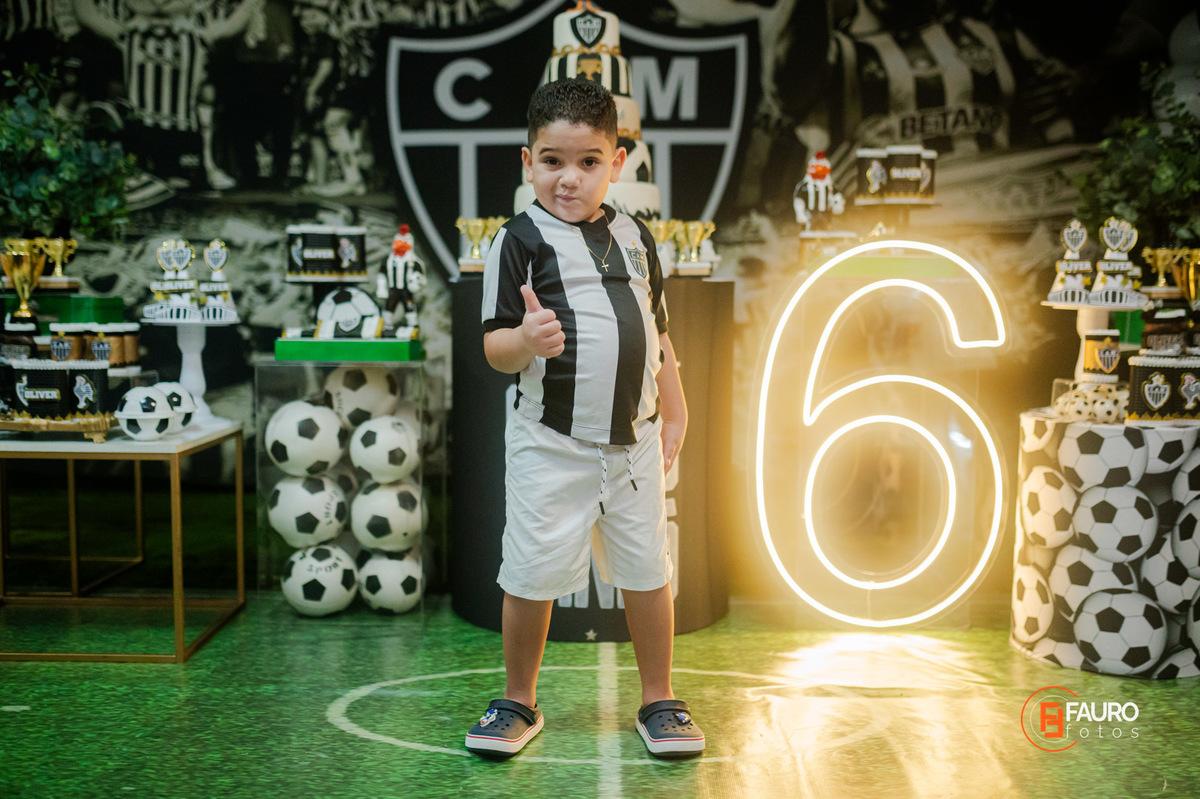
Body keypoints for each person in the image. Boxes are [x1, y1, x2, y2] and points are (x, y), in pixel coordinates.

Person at [469, 78, 703, 759]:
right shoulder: (517, 239)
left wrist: (676, 408)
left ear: (617, 163)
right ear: (527, 162)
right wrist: (525, 340)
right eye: (552, 161)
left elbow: (659, 331)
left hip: (635, 443)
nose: (568, 178)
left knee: (648, 569)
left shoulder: (636, 235)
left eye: (588, 161)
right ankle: (518, 698)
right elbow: (495, 348)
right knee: (530, 571)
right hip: (552, 443)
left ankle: (659, 699)